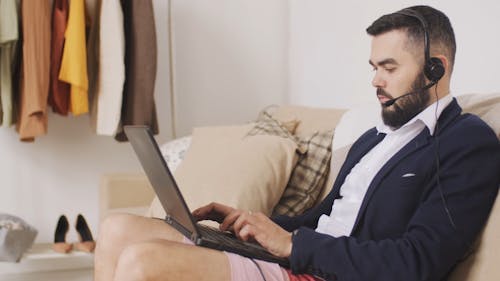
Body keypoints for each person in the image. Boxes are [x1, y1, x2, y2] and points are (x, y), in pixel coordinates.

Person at [94, 5, 500, 281]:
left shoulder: (465, 142)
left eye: (389, 68)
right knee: (117, 229)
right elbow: (321, 221)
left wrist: (291, 244)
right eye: (374, 67)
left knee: (142, 259)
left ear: (435, 68)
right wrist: (250, 224)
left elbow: (417, 262)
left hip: (324, 274)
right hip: (299, 258)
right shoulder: (373, 139)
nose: (375, 80)